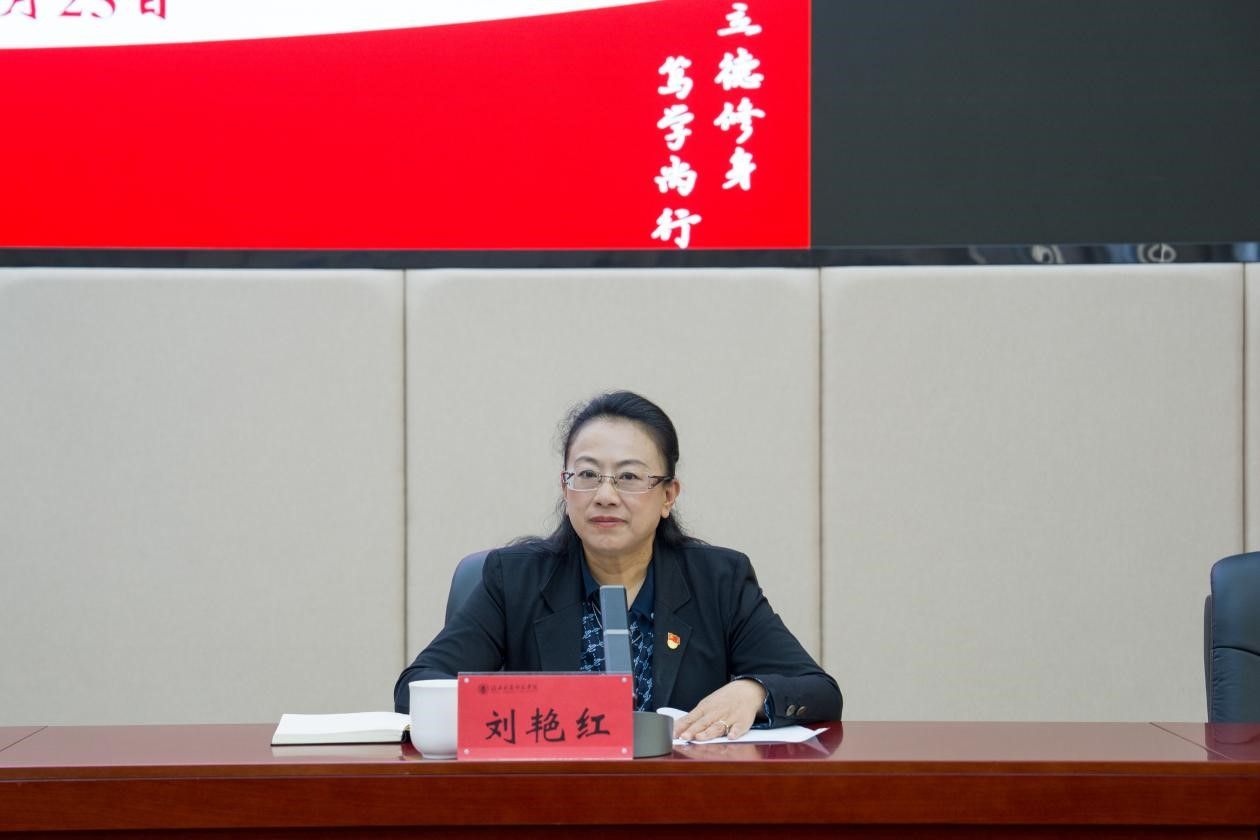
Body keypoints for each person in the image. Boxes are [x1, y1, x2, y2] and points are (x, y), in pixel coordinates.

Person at [394, 391, 841, 740]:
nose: (605, 495)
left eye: (628, 477)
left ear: (668, 495)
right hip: (549, 803)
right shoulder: (514, 580)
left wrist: (754, 691)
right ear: (565, 489)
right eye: (587, 475)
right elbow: (415, 689)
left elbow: (819, 690)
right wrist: (529, 710)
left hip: (682, 803)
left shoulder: (718, 580)